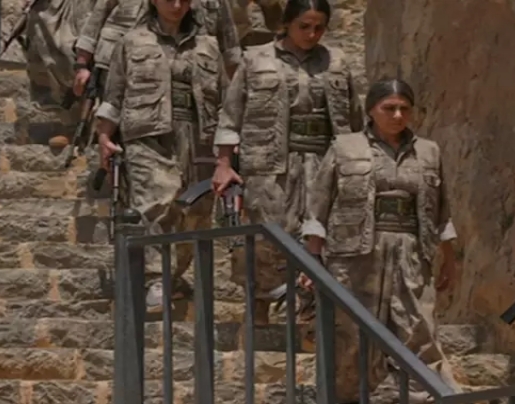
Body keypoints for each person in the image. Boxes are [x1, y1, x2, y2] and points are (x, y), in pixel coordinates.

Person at [302, 78, 456, 404]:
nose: (398, 115)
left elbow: (442, 211)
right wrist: (312, 259)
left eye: (404, 108)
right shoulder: (344, 147)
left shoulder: (429, 152)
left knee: (418, 328)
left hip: (411, 253)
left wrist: (449, 257)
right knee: (350, 329)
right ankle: (347, 399)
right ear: (371, 110)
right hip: (355, 255)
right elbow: (318, 208)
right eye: (389, 108)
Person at [213, 0, 362, 325]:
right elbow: (230, 116)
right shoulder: (256, 59)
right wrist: (224, 164)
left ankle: (308, 309)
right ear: (287, 24)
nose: (311, 34)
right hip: (269, 164)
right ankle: (261, 308)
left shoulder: (336, 62)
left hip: (322, 161)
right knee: (269, 235)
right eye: (304, 27)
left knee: (317, 232)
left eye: (318, 27)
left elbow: (354, 118)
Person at [94, 0, 227, 309]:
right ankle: (155, 277)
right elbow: (114, 94)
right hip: (147, 137)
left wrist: (225, 150)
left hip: (197, 136)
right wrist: (104, 136)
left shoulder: (208, 45)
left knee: (195, 209)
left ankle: (173, 273)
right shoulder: (132, 41)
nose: (177, 5)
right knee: (156, 202)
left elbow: (224, 97)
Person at [74, 0, 240, 104]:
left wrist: (234, 87)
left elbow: (228, 41)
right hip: (125, 71)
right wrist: (82, 64)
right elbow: (96, 20)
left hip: (189, 72)